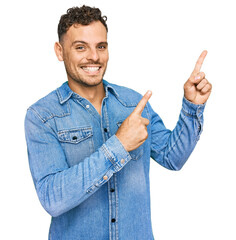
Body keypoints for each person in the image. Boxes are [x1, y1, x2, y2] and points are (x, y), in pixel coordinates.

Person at [24, 5, 212, 240]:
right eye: (80, 47)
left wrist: (192, 107)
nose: (94, 56)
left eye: (100, 46)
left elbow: (172, 157)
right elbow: (53, 198)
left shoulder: (133, 103)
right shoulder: (42, 115)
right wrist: (119, 144)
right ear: (60, 51)